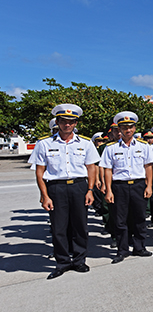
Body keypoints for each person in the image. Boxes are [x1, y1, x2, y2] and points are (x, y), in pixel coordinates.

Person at [30, 104, 99, 279]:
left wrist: (90, 190)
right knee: (58, 228)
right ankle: (62, 262)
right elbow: (40, 172)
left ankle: (79, 260)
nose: (67, 125)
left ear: (76, 123)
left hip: (79, 186)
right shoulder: (44, 144)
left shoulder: (86, 143)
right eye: (63, 121)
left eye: (71, 121)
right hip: (56, 188)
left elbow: (91, 168)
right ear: (57, 122)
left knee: (80, 226)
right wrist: (44, 195)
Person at [101, 111, 153, 264]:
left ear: (135, 128)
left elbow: (148, 167)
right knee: (120, 220)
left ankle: (139, 247)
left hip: (138, 185)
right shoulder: (111, 148)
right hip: (119, 187)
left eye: (130, 127)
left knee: (139, 218)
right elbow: (107, 169)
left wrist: (149, 186)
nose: (128, 130)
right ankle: (122, 250)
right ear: (119, 129)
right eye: (124, 127)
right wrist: (109, 190)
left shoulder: (144, 146)